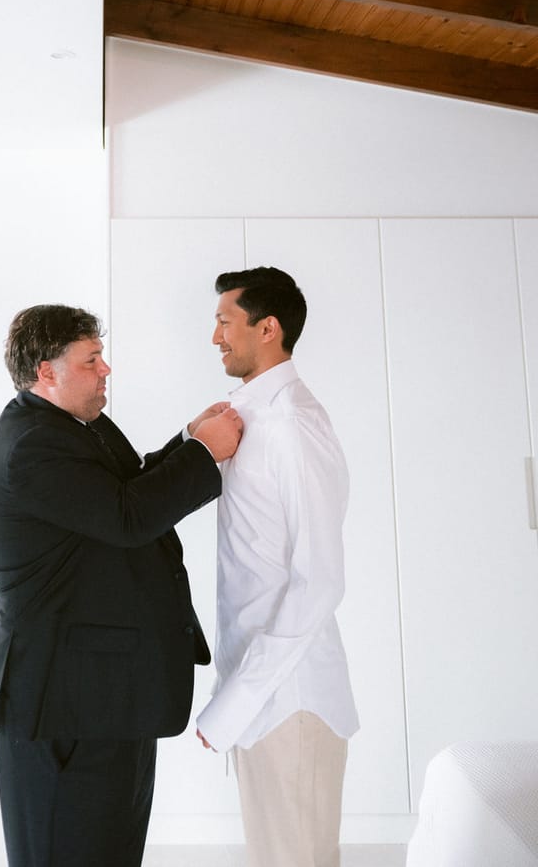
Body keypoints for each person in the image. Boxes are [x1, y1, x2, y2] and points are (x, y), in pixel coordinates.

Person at [0, 302, 243, 867]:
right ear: (46, 372)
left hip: (106, 697)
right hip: (63, 704)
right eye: (91, 359)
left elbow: (126, 486)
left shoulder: (75, 424)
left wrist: (187, 439)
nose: (106, 370)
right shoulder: (32, 445)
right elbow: (127, 516)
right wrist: (204, 454)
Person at [196, 267, 359, 867]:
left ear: (269, 328)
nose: (215, 337)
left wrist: (237, 700)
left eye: (224, 322)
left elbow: (319, 579)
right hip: (262, 696)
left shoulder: (291, 421)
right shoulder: (247, 414)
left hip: (288, 700)